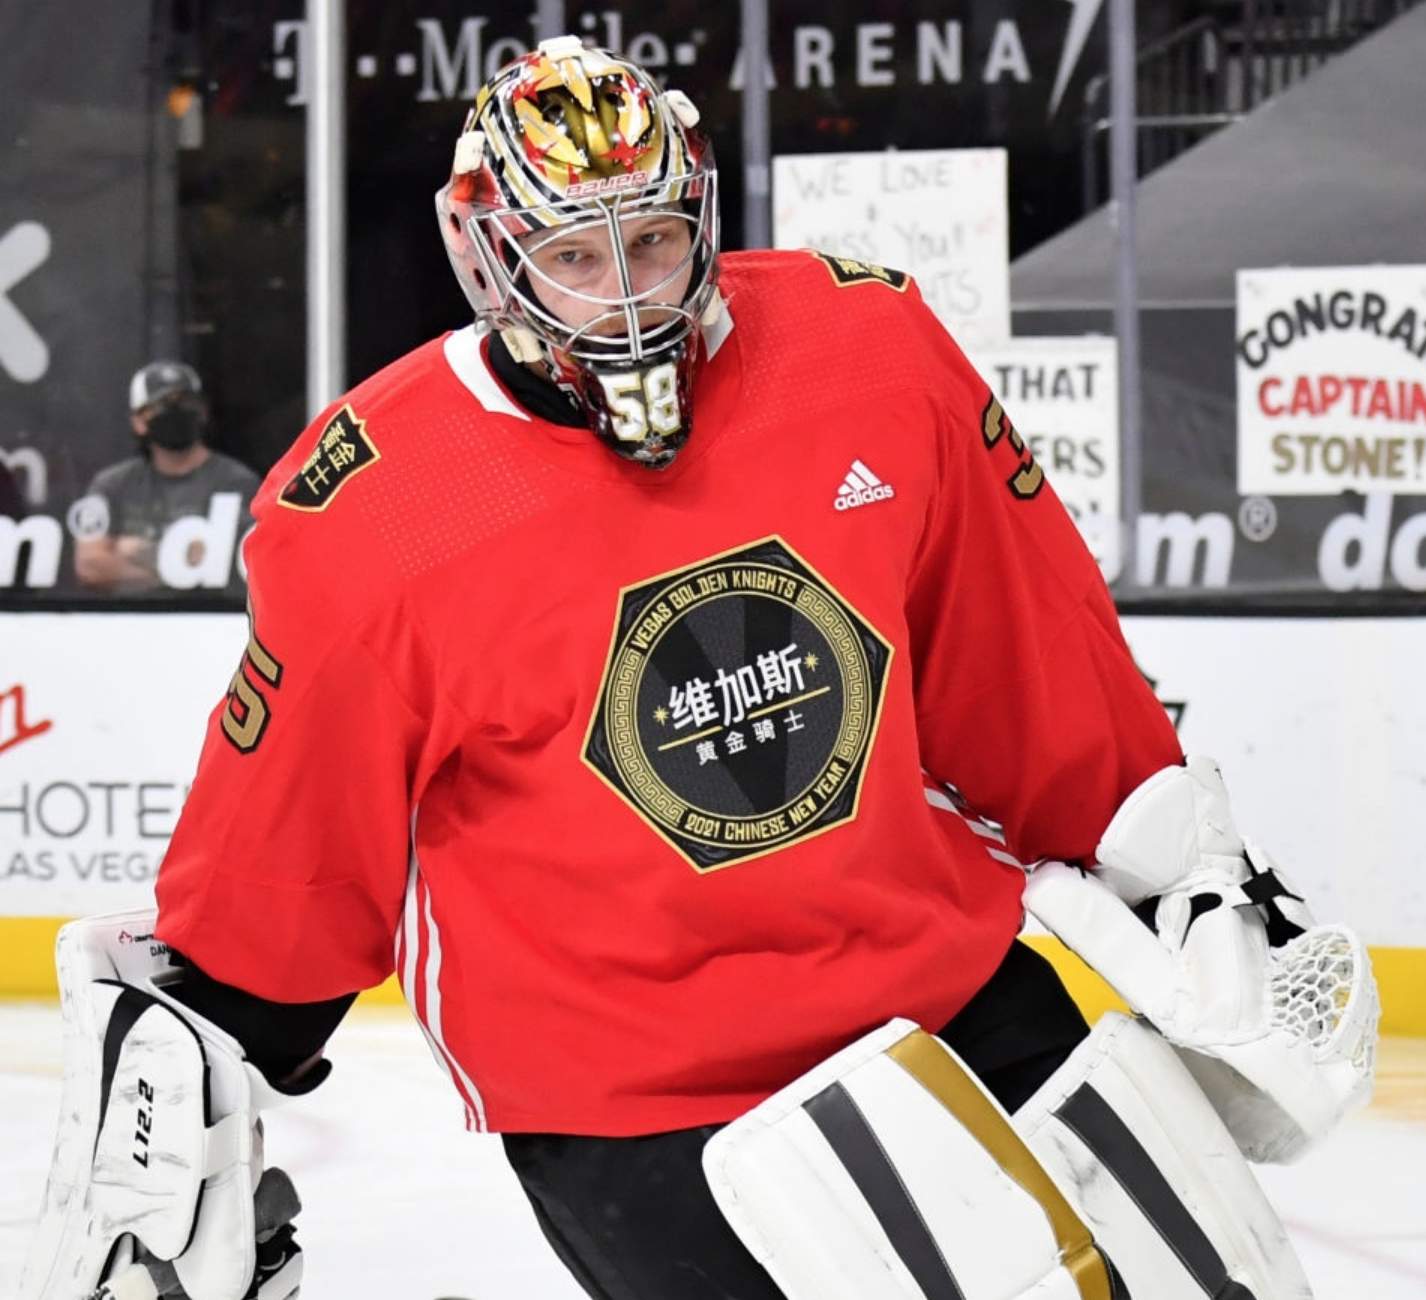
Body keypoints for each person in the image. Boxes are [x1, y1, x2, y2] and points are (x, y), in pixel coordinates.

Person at [23, 38, 1374, 1300]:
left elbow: (1024, 662)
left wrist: (1183, 870)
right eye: (574, 256)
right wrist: (198, 1074)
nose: (626, 293)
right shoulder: (377, 506)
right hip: (634, 1096)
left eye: (655, 241)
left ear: (704, 215)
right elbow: (289, 862)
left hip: (937, 984)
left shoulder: (869, 352)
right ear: (490, 259)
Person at [71, 360, 259, 596]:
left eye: (186, 402)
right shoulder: (112, 485)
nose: (176, 412)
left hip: (208, 621)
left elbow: (231, 566)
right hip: (128, 625)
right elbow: (91, 569)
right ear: (139, 422)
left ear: (203, 412)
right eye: (161, 406)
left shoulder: (237, 483)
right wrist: (181, 564)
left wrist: (135, 552)